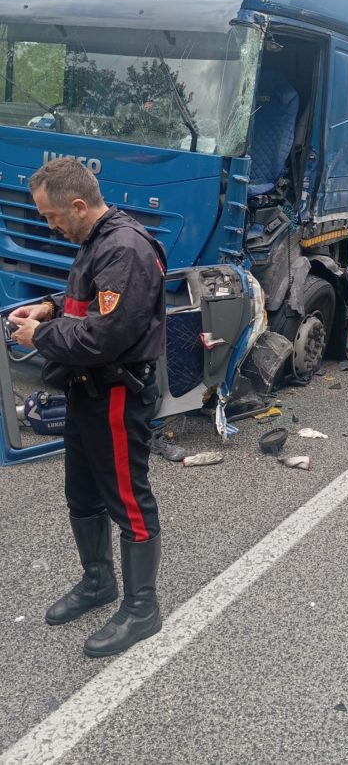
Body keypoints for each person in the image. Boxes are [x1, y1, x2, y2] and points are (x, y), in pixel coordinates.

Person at [9, 158, 166, 657]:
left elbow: (106, 335)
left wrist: (42, 334)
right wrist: (50, 308)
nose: (49, 225)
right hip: (85, 391)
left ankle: (143, 608)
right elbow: (92, 302)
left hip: (115, 393)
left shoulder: (125, 248)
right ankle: (99, 582)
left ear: (79, 205)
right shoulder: (95, 240)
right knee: (81, 493)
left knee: (128, 501)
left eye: (52, 216)